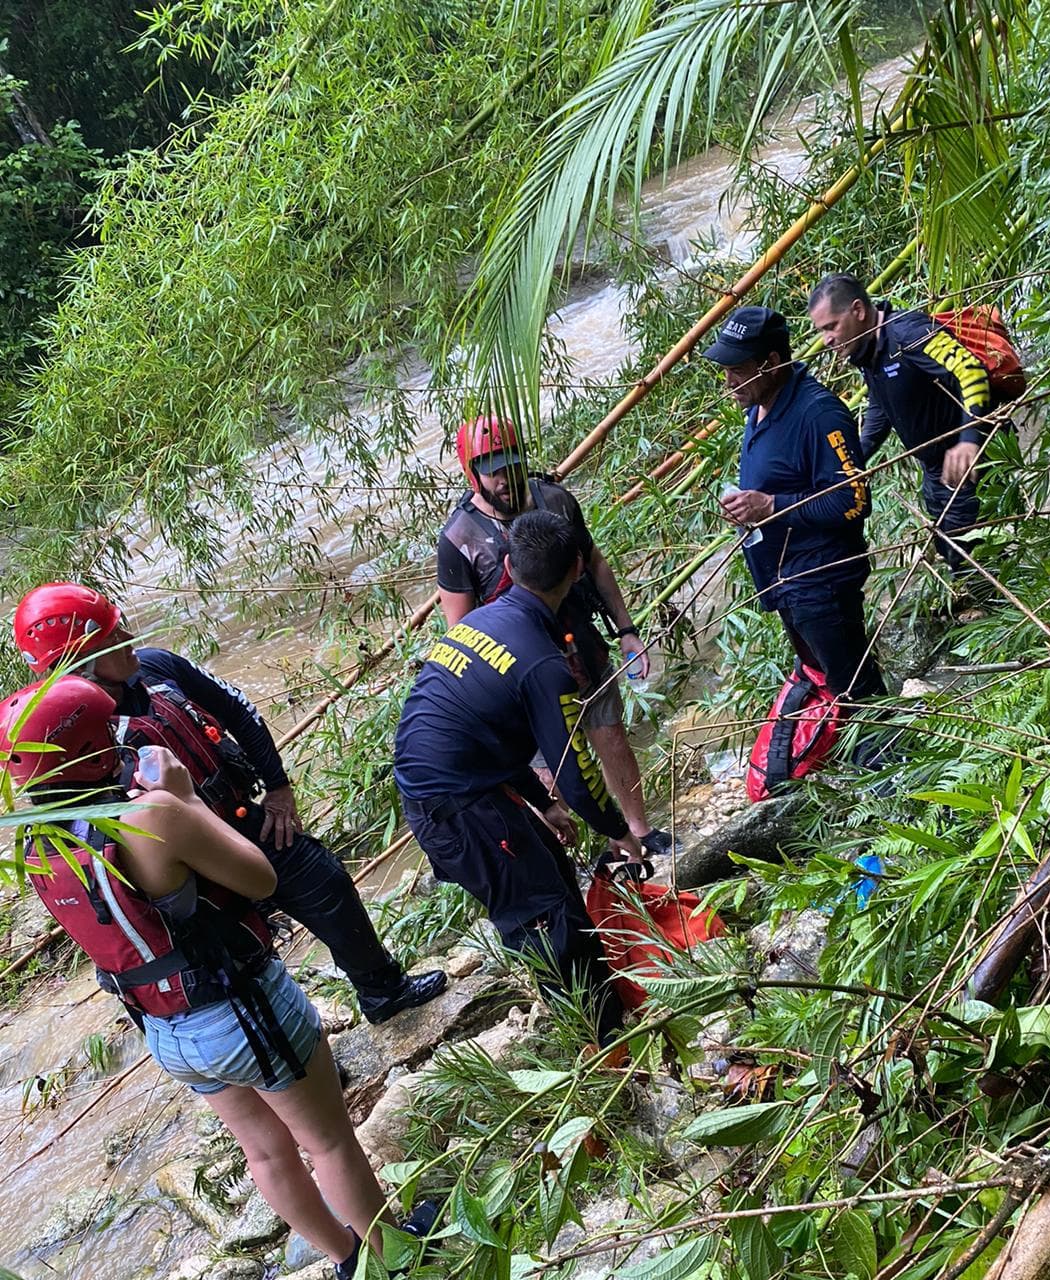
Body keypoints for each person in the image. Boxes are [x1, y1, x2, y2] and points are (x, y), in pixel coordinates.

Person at [0, 678, 430, 1280]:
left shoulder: (39, 840)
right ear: (97, 748)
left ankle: (346, 1257)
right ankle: (397, 1256)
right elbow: (259, 878)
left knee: (264, 1149)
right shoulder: (150, 814)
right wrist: (186, 799)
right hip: (241, 1010)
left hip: (167, 1029)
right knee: (327, 1141)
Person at [12, 583, 446, 1024]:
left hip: (240, 818)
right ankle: (297, 1063)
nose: (127, 639)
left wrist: (278, 789)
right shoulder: (65, 731)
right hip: (182, 871)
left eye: (119, 626)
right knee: (241, 962)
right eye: (110, 638)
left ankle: (382, 990)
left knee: (326, 882)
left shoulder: (158, 666)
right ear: (75, 664)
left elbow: (239, 711)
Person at [397, 510, 646, 1042]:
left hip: (459, 786)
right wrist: (621, 833)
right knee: (547, 918)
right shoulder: (543, 664)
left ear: (509, 566)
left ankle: (604, 1017)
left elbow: (489, 732)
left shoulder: (483, 621)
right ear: (578, 568)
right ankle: (599, 1044)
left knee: (553, 878)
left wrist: (545, 805)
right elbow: (576, 773)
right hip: (457, 810)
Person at [436, 416, 672, 855]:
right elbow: (461, 629)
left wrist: (627, 630)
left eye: (512, 465)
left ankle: (639, 832)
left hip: (582, 649)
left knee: (611, 738)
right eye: (492, 470)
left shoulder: (554, 500)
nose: (505, 479)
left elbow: (595, 563)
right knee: (550, 772)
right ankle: (583, 852)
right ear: (471, 471)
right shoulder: (459, 538)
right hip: (523, 676)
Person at [703, 304, 886, 702]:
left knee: (856, 692)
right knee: (832, 687)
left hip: (822, 582)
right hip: (788, 583)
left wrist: (771, 505)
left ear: (770, 362)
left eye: (737, 369)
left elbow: (853, 500)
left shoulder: (818, 414)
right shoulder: (758, 407)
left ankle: (888, 756)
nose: (728, 380)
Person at [806, 273, 999, 577]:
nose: (827, 339)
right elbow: (881, 407)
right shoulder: (869, 350)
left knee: (974, 553)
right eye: (821, 331)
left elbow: (971, 372)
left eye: (831, 327)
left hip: (972, 461)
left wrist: (969, 438)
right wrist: (851, 464)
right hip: (937, 469)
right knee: (950, 547)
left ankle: (989, 607)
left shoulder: (909, 334)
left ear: (858, 310)